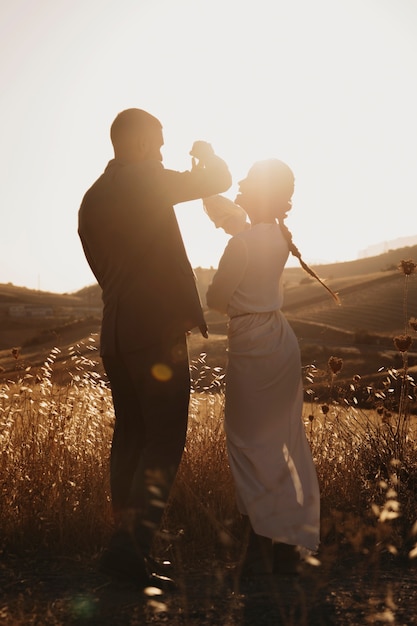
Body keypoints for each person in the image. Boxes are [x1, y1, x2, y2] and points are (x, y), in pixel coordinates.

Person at [78, 108, 232, 588]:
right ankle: (129, 551)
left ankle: (124, 552)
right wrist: (205, 153)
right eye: (160, 144)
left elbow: (100, 267)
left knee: (129, 441)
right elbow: (219, 178)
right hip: (156, 334)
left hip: (116, 333)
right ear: (142, 144)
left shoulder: (92, 198)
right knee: (164, 441)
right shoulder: (146, 181)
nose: (163, 152)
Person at [206, 159, 339, 577]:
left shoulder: (241, 243)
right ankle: (278, 543)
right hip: (280, 342)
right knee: (279, 443)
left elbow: (215, 299)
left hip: (251, 345)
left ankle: (263, 546)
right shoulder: (278, 236)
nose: (240, 190)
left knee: (248, 443)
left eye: (246, 186)